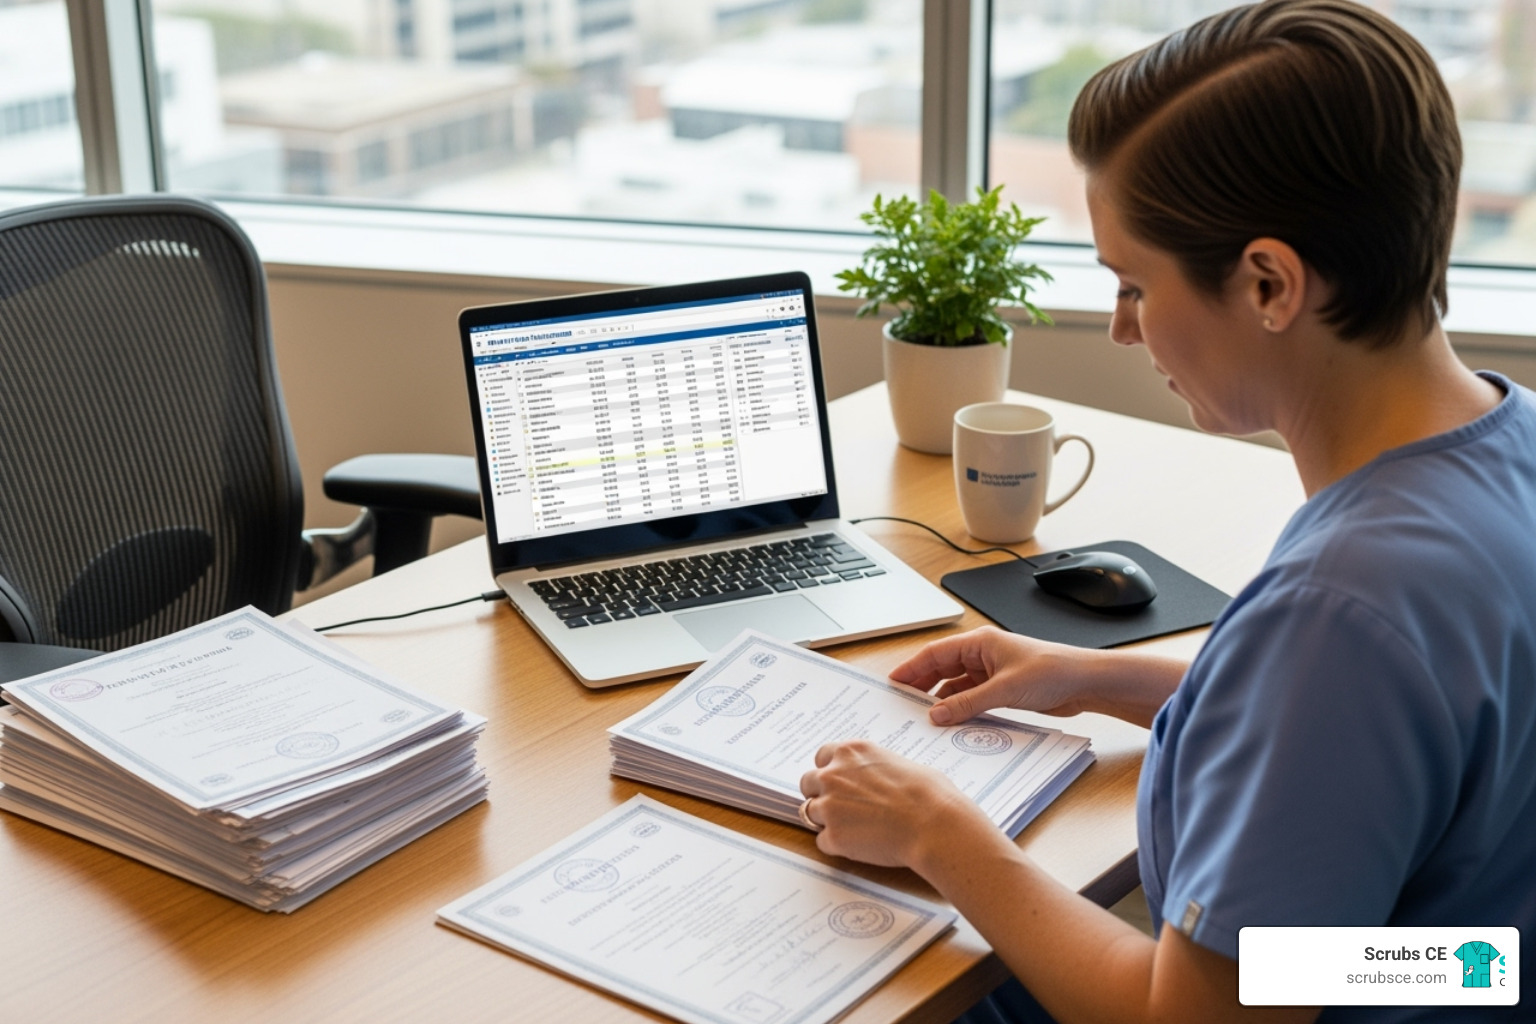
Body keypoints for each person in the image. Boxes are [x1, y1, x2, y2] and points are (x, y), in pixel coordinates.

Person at [795, 1, 1536, 1021]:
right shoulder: (1509, 443)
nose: (1120, 328)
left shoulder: (1342, 608)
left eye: (1135, 284)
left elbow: (1188, 1018)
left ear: (1270, 283)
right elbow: (1435, 851)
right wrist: (1114, 680)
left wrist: (940, 834)